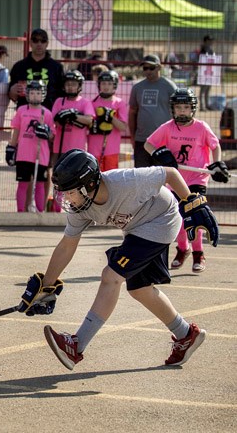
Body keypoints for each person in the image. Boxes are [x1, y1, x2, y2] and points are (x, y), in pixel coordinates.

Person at [18, 149, 218, 371]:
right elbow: (66, 246)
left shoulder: (125, 181)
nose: (66, 199)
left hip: (161, 220)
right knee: (140, 289)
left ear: (89, 186)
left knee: (111, 276)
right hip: (136, 228)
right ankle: (186, 334)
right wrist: (46, 286)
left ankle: (76, 346)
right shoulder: (79, 208)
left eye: (70, 192)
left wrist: (192, 203)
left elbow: (170, 173)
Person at [144, 88, 229, 273]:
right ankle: (183, 248)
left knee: (194, 214)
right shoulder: (167, 127)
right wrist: (159, 153)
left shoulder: (201, 127)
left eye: (186, 107)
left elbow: (215, 146)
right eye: (178, 107)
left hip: (197, 179)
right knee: (179, 217)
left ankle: (198, 253)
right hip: (175, 179)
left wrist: (216, 164)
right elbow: (148, 144)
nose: (182, 110)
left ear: (193, 108)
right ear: (172, 109)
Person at [49, 70, 95, 211]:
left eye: (74, 84)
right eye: (68, 84)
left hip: (77, 151)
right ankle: (57, 208)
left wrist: (74, 116)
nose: (70, 87)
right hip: (59, 147)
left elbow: (89, 120)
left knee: (77, 180)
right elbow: (53, 120)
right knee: (57, 179)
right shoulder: (59, 101)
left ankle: (76, 207)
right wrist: (60, 117)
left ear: (79, 86)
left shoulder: (85, 102)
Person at [6, 80, 53, 212]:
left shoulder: (46, 113)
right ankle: (21, 211)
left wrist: (46, 133)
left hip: (41, 155)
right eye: (32, 93)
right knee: (23, 184)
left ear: (42, 94)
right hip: (23, 155)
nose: (35, 95)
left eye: (38, 93)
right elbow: (16, 130)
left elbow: (52, 135)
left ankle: (40, 211)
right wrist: (11, 148)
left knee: (40, 184)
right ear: (27, 94)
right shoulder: (22, 110)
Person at [127, 54, 178, 168]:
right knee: (141, 175)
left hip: (163, 141)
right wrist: (132, 136)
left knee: (160, 176)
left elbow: (178, 112)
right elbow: (132, 112)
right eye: (145, 68)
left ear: (159, 67)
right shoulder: (137, 87)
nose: (148, 71)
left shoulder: (169, 86)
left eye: (151, 68)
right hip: (142, 140)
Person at [8, 28, 65, 109]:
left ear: (47, 44)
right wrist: (12, 91)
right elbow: (12, 96)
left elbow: (63, 95)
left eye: (43, 41)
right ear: (30, 43)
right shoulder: (19, 66)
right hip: (25, 114)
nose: (39, 44)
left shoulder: (56, 67)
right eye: (35, 40)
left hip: (49, 115)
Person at [87, 70, 129, 171]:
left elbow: (123, 127)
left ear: (114, 85)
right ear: (99, 85)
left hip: (112, 150)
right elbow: (89, 124)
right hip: (94, 148)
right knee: (95, 177)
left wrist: (110, 117)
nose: (106, 86)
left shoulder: (119, 103)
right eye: (103, 83)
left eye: (110, 83)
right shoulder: (92, 103)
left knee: (111, 179)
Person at [198, 35, 215, 111]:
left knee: (208, 89)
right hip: (203, 72)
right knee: (203, 89)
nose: (211, 42)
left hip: (210, 71)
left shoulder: (211, 50)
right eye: (209, 40)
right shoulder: (203, 50)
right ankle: (202, 106)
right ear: (205, 41)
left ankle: (207, 105)